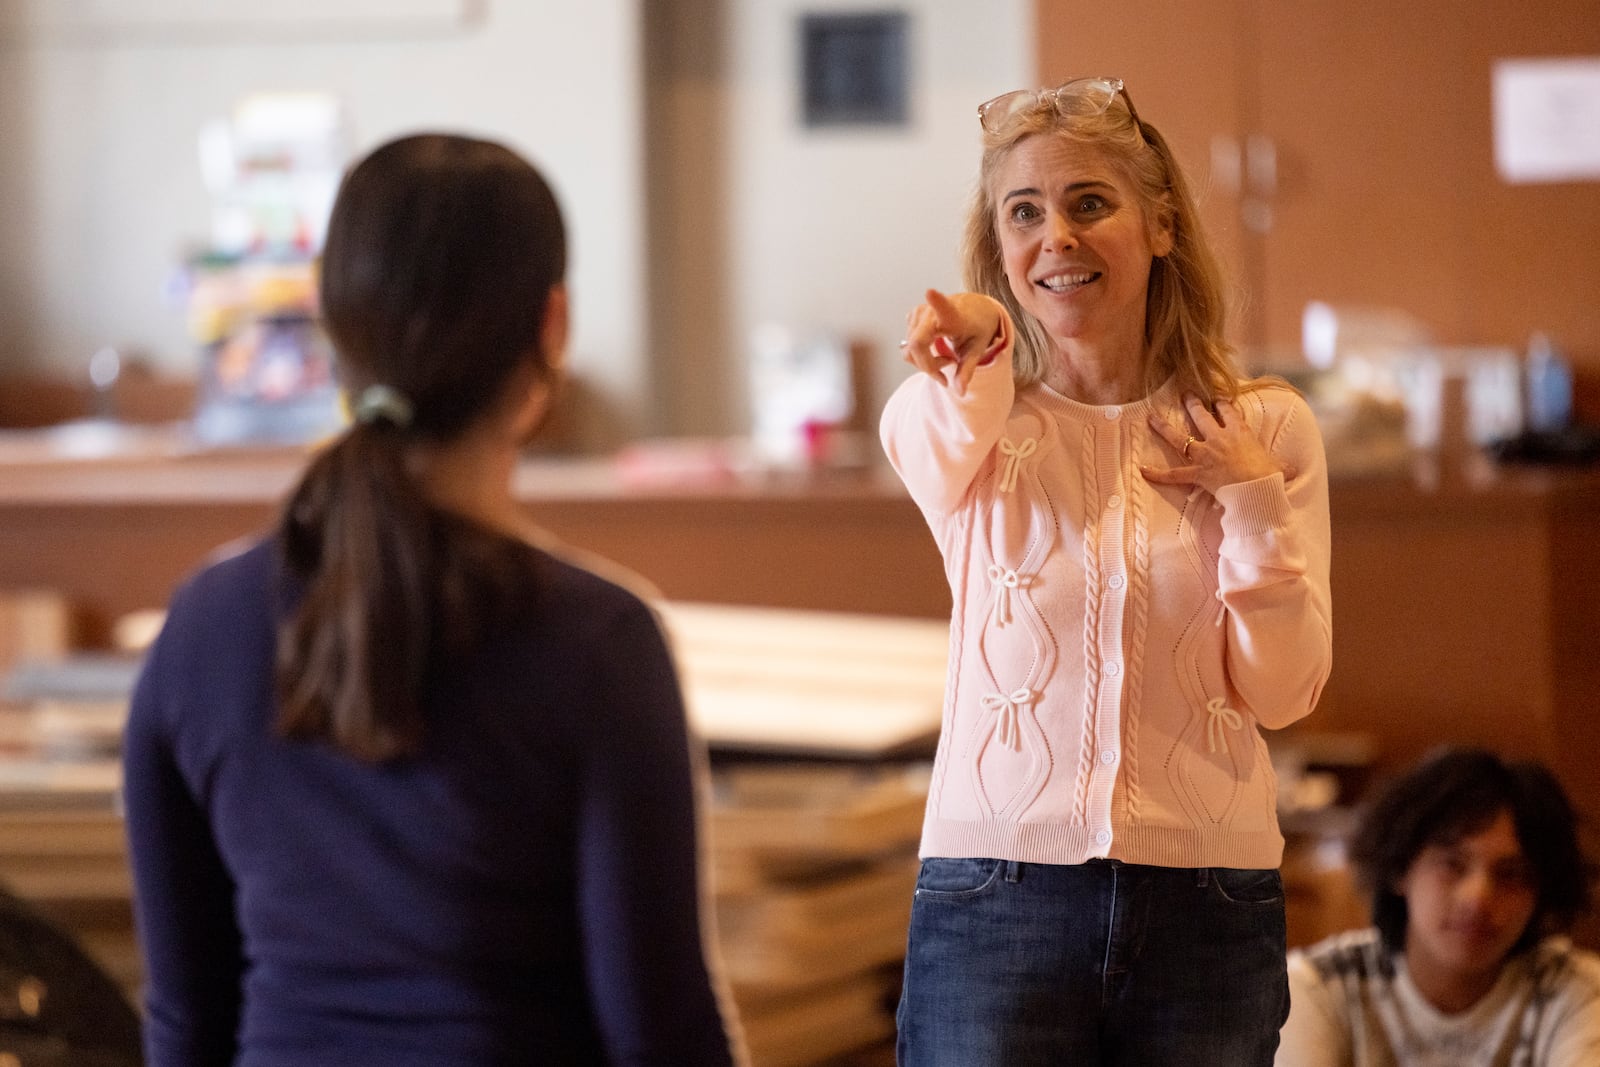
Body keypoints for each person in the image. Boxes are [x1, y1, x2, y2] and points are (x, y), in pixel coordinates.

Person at [122, 133, 740, 1067]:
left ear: (332, 332)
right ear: (553, 329)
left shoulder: (200, 627)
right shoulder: (598, 645)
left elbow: (183, 1025)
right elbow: (660, 1034)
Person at [879, 76, 1332, 1065]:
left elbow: (1284, 691)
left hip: (1209, 902)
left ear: (1159, 224)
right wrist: (983, 336)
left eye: (1089, 203)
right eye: (1024, 213)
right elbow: (946, 415)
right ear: (997, 242)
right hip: (995, 897)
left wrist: (1250, 500)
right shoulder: (958, 415)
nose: (1057, 239)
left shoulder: (1265, 427)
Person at [1278, 747, 1600, 1066]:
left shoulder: (1575, 994)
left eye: (1511, 875)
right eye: (1452, 865)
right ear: (1401, 869)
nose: (1477, 898)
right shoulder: (1318, 988)